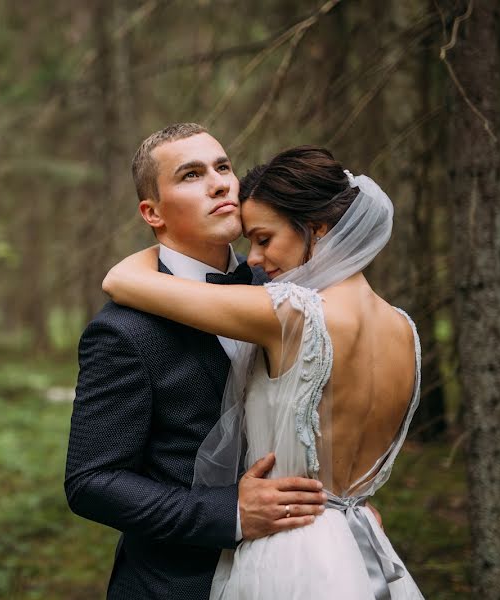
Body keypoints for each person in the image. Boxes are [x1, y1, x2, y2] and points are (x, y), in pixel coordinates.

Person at [102, 145, 424, 599]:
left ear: (318, 229)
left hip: (287, 552)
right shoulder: (404, 330)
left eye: (264, 239)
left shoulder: (291, 314)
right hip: (358, 539)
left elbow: (121, 280)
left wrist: (161, 231)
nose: (252, 258)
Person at [64, 124, 328, 600]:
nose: (221, 182)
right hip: (177, 584)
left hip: (295, 571)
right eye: (191, 174)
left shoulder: (281, 289)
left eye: (223, 167)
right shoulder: (123, 331)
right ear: (152, 212)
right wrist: (229, 514)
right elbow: (91, 481)